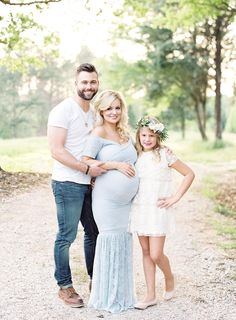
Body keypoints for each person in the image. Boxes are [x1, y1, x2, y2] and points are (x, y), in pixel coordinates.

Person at [47, 63, 106, 308]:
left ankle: (96, 280)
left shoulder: (93, 112)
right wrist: (86, 169)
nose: (89, 86)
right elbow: (56, 151)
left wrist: (94, 174)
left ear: (97, 83)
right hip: (67, 183)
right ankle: (65, 286)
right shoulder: (63, 111)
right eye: (84, 82)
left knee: (94, 233)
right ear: (75, 84)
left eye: (92, 82)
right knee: (66, 236)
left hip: (89, 184)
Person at [82, 90, 139, 313]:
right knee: (109, 240)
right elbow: (86, 160)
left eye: (117, 107)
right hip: (107, 200)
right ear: (101, 111)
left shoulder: (125, 133)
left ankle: (123, 294)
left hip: (126, 203)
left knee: (123, 241)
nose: (113, 112)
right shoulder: (98, 132)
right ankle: (106, 296)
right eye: (108, 108)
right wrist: (114, 165)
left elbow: (139, 156)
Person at [129, 116, 195, 310]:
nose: (147, 139)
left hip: (158, 209)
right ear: (138, 135)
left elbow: (189, 174)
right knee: (146, 252)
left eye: (151, 135)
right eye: (143, 135)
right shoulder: (135, 155)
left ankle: (169, 276)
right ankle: (150, 295)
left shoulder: (165, 154)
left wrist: (175, 197)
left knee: (156, 254)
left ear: (158, 136)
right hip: (140, 208)